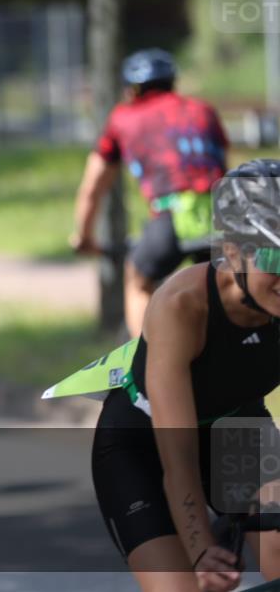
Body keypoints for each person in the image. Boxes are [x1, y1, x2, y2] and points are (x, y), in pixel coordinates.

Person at [91, 159, 280, 592]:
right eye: (275, 256)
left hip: (237, 428)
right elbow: (177, 458)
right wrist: (199, 549)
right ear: (232, 252)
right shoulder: (182, 306)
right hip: (142, 444)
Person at [71, 48, 230, 337]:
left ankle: (144, 362)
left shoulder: (123, 117)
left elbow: (93, 186)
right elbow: (220, 164)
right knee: (221, 292)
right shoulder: (202, 110)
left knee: (138, 280)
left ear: (131, 90)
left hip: (171, 215)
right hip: (220, 213)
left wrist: (84, 237)